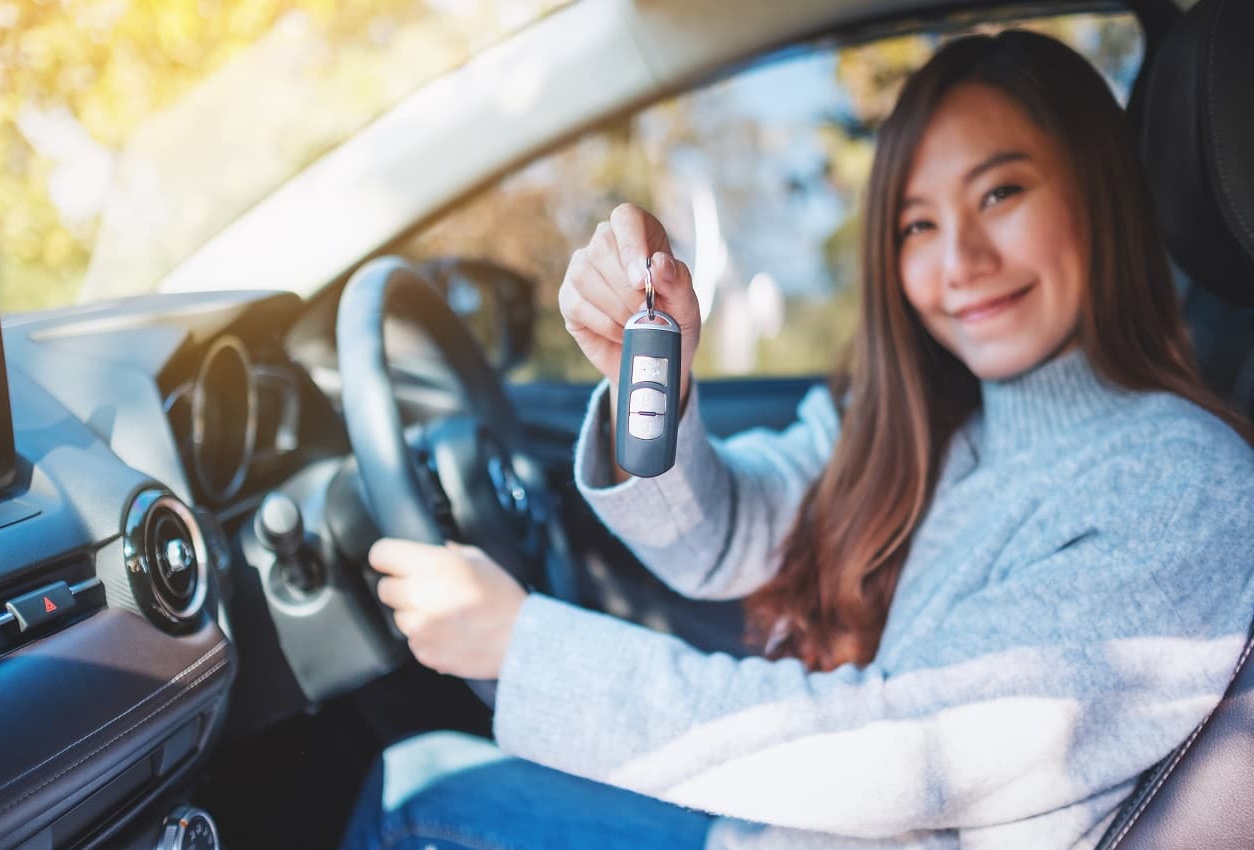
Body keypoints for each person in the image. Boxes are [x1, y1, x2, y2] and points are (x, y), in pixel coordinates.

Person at [339, 30, 1254, 850]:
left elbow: (900, 756)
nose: (958, 264)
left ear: (1101, 196)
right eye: (918, 226)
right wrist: (647, 386)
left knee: (417, 795)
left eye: (1001, 192)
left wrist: (523, 647)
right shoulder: (936, 414)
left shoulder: (1179, 479)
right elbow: (727, 536)